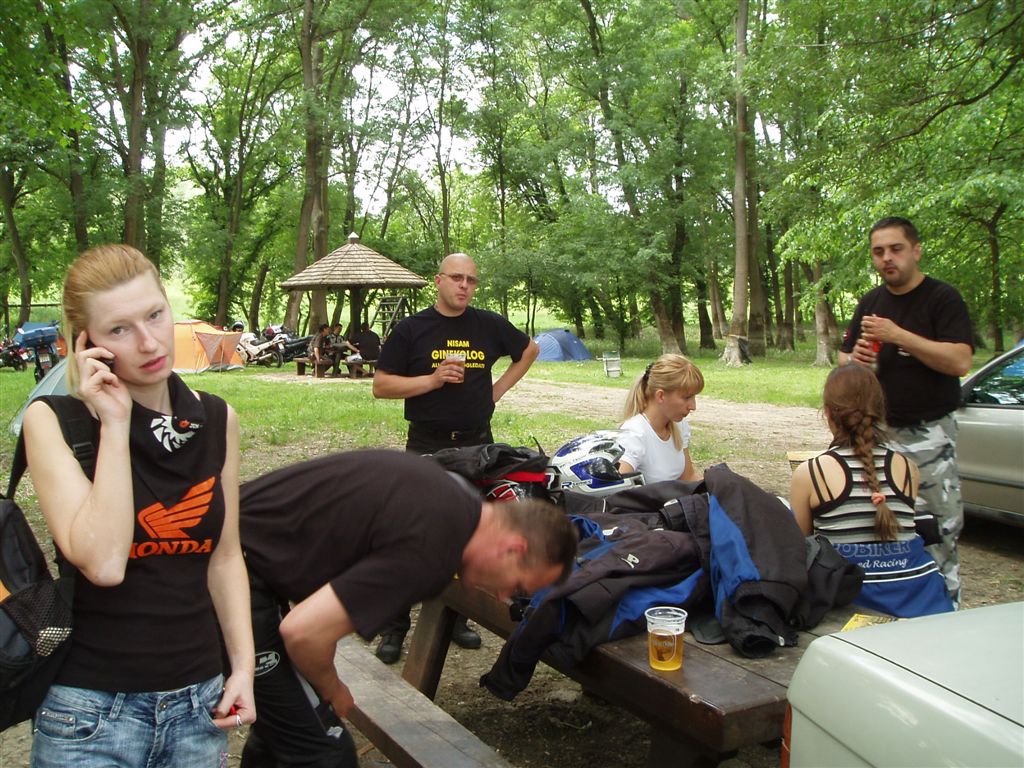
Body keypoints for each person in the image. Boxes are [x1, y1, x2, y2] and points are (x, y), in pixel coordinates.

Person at [21, 244, 255, 766]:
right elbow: (104, 564)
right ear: (87, 343)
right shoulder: (54, 421)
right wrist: (115, 422)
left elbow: (224, 557)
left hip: (198, 706)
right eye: (119, 329)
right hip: (89, 714)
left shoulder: (217, 420)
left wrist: (242, 667)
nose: (149, 342)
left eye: (155, 314)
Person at [236, 450, 577, 767]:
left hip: (239, 544)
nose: (503, 596)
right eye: (516, 586)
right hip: (229, 570)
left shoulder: (453, 497)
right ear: (514, 549)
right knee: (324, 753)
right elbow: (303, 634)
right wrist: (332, 688)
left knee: (284, 730)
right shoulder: (434, 548)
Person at [371, 252, 540, 662]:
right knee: (409, 533)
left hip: (477, 445)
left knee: (469, 532)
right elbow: (381, 385)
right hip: (427, 444)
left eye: (471, 280)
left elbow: (529, 350)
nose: (464, 286)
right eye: (457, 278)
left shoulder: (488, 325)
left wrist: (496, 391)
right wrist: (431, 380)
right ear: (439, 280)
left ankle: (458, 617)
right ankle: (395, 626)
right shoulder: (412, 329)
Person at [838, 216, 973, 606]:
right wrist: (855, 360)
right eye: (878, 252)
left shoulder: (941, 298)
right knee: (880, 526)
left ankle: (946, 608)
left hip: (929, 433)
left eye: (895, 249)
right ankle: (893, 606)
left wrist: (898, 336)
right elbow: (845, 359)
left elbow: (960, 361)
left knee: (939, 528)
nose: (887, 258)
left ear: (916, 250)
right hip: (877, 434)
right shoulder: (871, 302)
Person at [790, 365, 954, 618]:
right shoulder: (907, 468)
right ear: (879, 411)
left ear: (828, 413)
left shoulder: (812, 472)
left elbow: (799, 548)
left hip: (849, 608)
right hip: (916, 604)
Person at [617, 353, 704, 484]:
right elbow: (618, 488)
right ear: (661, 396)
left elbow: (688, 477)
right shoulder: (634, 434)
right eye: (686, 397)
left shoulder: (679, 425)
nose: (693, 406)